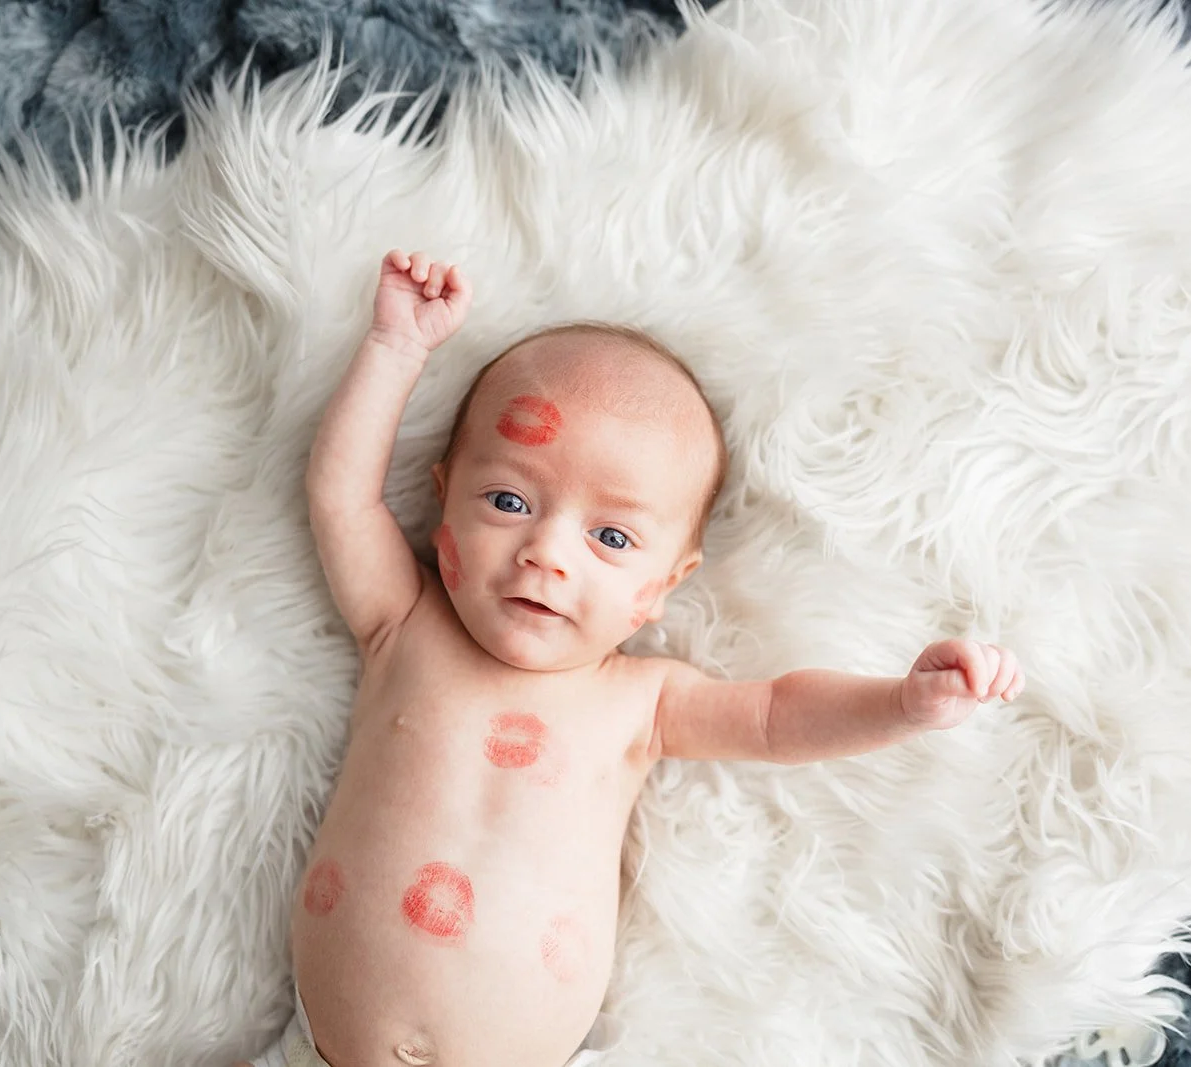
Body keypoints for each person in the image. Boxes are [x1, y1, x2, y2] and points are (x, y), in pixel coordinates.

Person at [242, 250, 1025, 1067]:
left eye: (610, 537)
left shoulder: (640, 700)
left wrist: (903, 701)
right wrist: (396, 349)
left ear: (660, 588)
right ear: (444, 507)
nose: (547, 552)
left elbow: (777, 715)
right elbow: (342, 495)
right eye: (509, 500)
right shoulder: (404, 623)